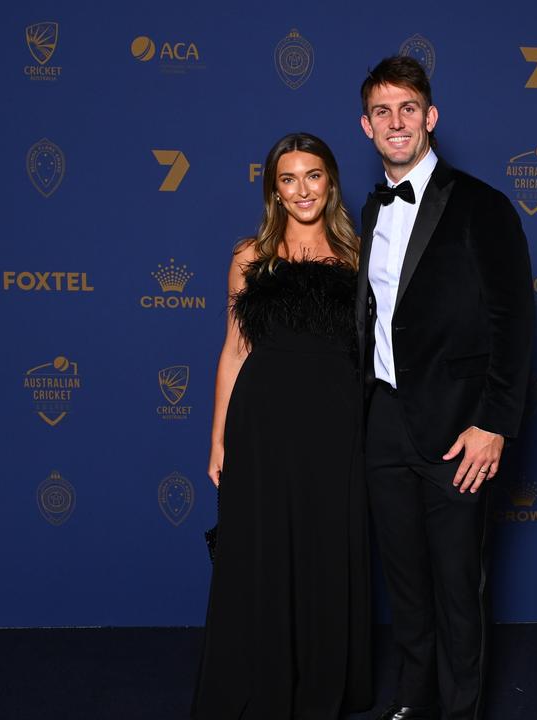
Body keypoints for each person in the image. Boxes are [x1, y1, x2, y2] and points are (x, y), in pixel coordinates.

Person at [356, 57, 535, 720]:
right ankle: (410, 702)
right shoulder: (367, 211)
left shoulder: (483, 206)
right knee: (404, 584)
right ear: (367, 126)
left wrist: (494, 424)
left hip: (460, 429)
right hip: (383, 427)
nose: (396, 122)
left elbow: (514, 321)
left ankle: (460, 713)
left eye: (408, 109)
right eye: (382, 111)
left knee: (458, 586)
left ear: (430, 118)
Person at [193, 133, 371, 720]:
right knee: (265, 550)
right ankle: (262, 682)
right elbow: (233, 351)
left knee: (326, 550)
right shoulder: (250, 257)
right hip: (263, 423)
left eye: (313, 176)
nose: (302, 190)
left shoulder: (359, 256)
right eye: (288, 178)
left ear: (330, 182)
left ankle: (322, 684)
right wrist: (219, 437)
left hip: (336, 425)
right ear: (274, 188)